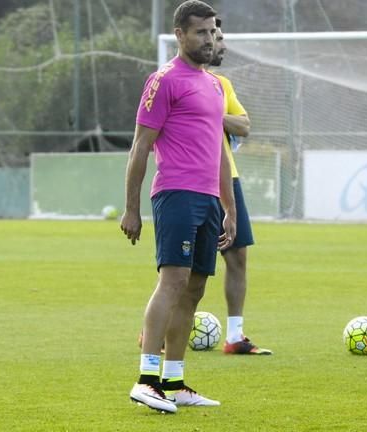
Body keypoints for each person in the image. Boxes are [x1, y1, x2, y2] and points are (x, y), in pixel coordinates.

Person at [121, 0, 236, 413]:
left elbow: (220, 149)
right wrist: (131, 207)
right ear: (180, 35)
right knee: (172, 282)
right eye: (201, 32)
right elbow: (140, 145)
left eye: (212, 31)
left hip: (207, 199)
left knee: (194, 289)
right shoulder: (164, 79)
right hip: (175, 193)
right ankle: (146, 379)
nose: (209, 38)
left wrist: (229, 205)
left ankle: (174, 380)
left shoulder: (212, 84)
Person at [208, 19, 272, 355]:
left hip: (227, 178)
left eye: (219, 37)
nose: (222, 44)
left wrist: (209, 114)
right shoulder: (175, 82)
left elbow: (244, 124)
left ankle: (234, 336)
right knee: (183, 267)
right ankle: (155, 333)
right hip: (192, 182)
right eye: (217, 38)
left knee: (237, 257)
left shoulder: (221, 85)